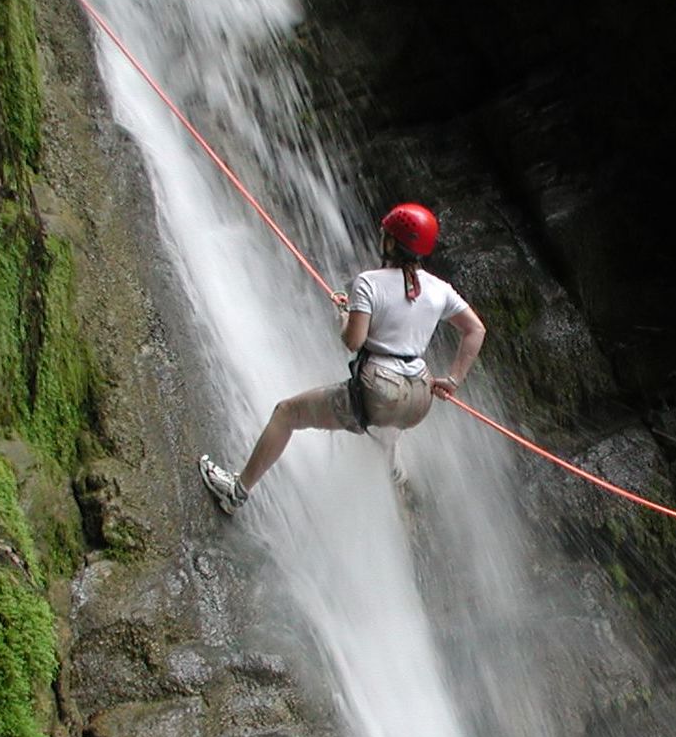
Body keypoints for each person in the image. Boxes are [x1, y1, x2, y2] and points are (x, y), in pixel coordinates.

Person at [198, 202, 486, 513]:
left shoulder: (369, 283)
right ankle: (391, 469)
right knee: (390, 420)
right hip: (419, 397)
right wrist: (454, 379)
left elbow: (353, 341)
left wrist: (344, 316)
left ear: (390, 242)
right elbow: (475, 329)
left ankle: (236, 492)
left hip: (381, 390)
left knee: (286, 413)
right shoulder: (440, 290)